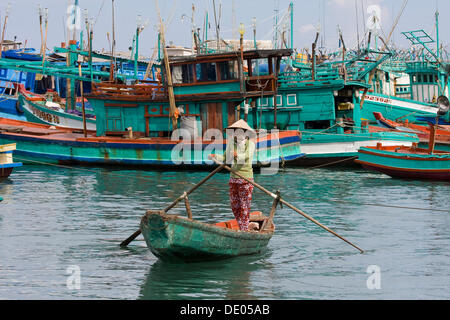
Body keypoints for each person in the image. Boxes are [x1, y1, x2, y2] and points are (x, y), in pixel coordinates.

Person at [209, 120, 258, 232]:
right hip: (233, 178)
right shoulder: (231, 143)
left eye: (241, 131)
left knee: (244, 207)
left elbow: (246, 156)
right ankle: (242, 226)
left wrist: (237, 155)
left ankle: (244, 230)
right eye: (236, 131)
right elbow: (225, 157)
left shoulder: (250, 144)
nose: (238, 133)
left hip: (246, 179)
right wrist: (214, 156)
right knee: (235, 206)